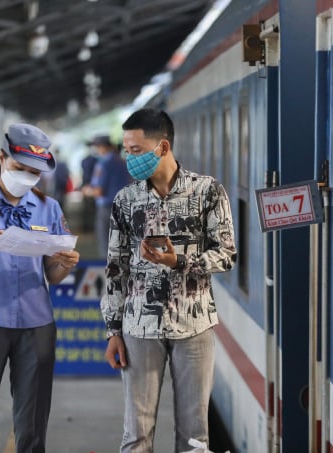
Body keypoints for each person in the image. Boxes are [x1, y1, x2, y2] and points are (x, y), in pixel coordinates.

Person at [100, 108, 236, 452]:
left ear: (162, 147)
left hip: (194, 326)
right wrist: (113, 332)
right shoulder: (125, 201)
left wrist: (180, 261)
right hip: (139, 328)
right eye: (126, 151)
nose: (129, 159)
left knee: (195, 437)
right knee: (136, 435)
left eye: (136, 151)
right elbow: (116, 270)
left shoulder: (207, 192)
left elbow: (227, 254)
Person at [0, 123, 80, 453]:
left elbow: (53, 275)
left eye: (33, 172)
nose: (25, 177)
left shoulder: (49, 208)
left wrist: (65, 262)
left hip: (36, 325)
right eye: (19, 168)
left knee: (33, 423)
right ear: (2, 158)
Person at [82, 134, 132, 258]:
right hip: (124, 207)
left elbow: (99, 191)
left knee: (106, 243)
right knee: (122, 243)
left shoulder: (104, 163)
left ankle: (108, 272)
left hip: (107, 209)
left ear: (102, 147)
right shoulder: (123, 162)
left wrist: (87, 191)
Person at [80, 149, 98, 233]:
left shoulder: (83, 160)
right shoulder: (96, 160)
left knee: (86, 208)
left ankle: (85, 227)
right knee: (93, 208)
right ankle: (92, 226)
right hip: (92, 185)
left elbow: (84, 174)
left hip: (85, 185)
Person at [51, 148, 71, 213]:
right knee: (61, 200)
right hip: (62, 184)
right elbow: (67, 173)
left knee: (57, 199)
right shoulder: (63, 162)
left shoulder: (53, 162)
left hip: (56, 184)